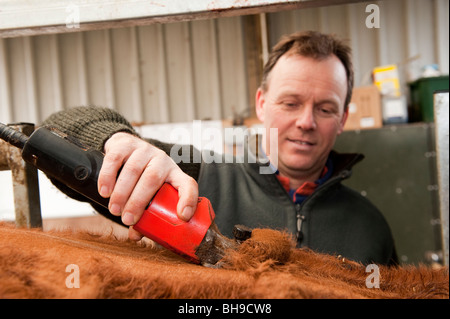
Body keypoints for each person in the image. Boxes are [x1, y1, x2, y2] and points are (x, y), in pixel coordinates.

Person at [43, 31, 397, 265]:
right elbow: (53, 135)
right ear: (261, 104)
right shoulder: (191, 180)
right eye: (290, 103)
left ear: (343, 117)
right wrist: (115, 140)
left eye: (325, 109)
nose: (306, 121)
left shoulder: (371, 227)